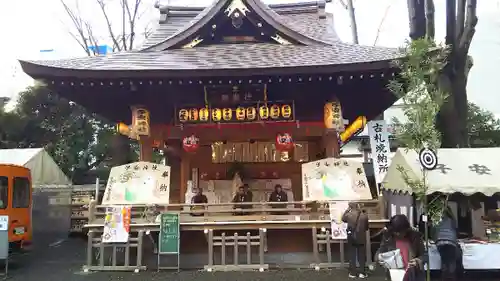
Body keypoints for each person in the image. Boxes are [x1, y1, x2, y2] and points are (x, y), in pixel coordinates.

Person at [377, 214, 426, 281]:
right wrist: (380, 258)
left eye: (400, 232)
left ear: (406, 229)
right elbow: (380, 252)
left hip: (413, 275)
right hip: (394, 275)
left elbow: (425, 255)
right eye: (396, 232)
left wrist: (417, 261)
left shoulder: (415, 237)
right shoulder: (388, 238)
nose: (398, 234)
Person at [431, 206, 463, 281]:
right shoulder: (452, 219)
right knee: (451, 263)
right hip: (451, 242)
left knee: (445, 262)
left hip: (440, 242)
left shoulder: (436, 220)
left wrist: (435, 239)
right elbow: (455, 229)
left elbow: (432, 232)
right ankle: (450, 278)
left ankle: (445, 277)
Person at [342, 202, 369, 279]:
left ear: (350, 207)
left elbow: (343, 219)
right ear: (358, 206)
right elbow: (367, 227)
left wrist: (347, 210)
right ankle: (362, 273)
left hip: (352, 237)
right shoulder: (364, 215)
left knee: (352, 254)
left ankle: (353, 273)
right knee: (361, 255)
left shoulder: (348, 215)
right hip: (361, 237)